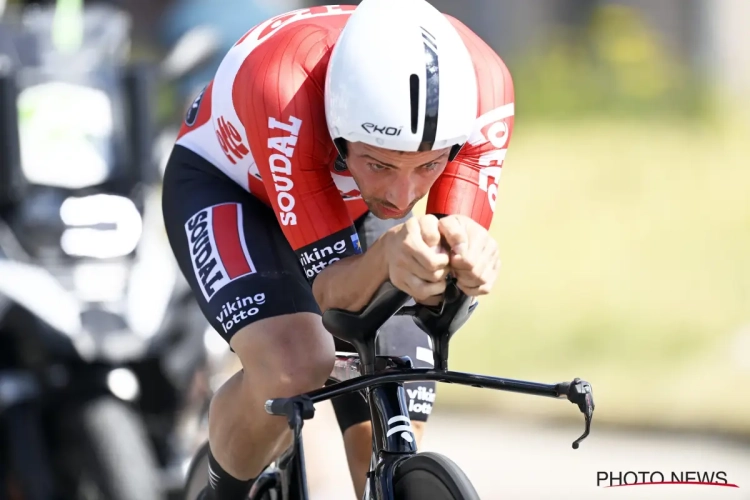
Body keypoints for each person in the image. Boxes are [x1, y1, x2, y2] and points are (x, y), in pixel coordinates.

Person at [161, 0, 515, 498]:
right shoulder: (285, 87)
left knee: (392, 407)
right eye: (381, 165)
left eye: (429, 166)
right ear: (340, 127)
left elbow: (440, 259)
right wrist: (391, 254)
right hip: (233, 189)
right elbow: (333, 296)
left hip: (345, 201)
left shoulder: (486, 88)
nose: (403, 196)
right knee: (295, 363)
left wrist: (465, 263)